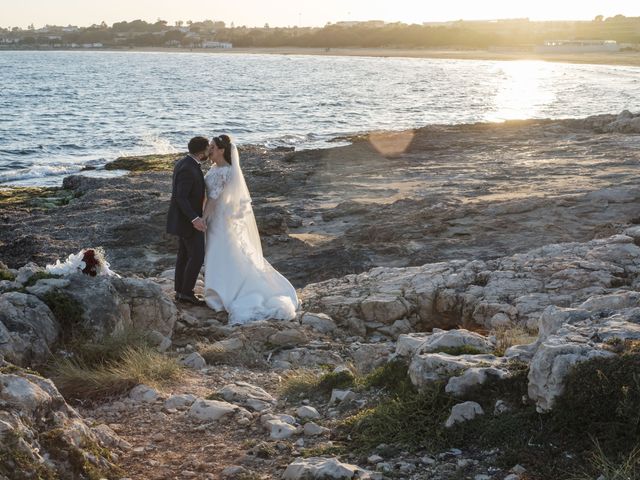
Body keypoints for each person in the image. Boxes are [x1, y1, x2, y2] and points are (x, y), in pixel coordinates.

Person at [202, 135, 299, 324]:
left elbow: (213, 199)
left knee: (219, 251)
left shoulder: (226, 171)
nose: (209, 150)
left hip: (219, 218)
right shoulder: (214, 169)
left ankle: (223, 292)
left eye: (212, 147)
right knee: (222, 252)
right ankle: (218, 289)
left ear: (222, 150)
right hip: (219, 216)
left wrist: (203, 219)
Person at [166, 136, 209, 305]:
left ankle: (180, 292)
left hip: (185, 220)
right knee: (197, 256)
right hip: (188, 221)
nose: (208, 152)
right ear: (201, 151)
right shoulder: (188, 168)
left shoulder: (184, 163)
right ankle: (186, 293)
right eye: (207, 149)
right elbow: (180, 197)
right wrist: (195, 218)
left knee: (184, 256)